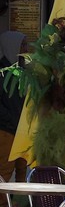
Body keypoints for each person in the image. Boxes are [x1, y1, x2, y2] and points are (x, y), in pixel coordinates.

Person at [0, 30, 26, 182]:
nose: (26, 49)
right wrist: (11, 120)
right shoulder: (2, 73)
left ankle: (20, 205)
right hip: (6, 131)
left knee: (22, 171)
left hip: (20, 131)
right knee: (4, 172)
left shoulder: (22, 71)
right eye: (22, 45)